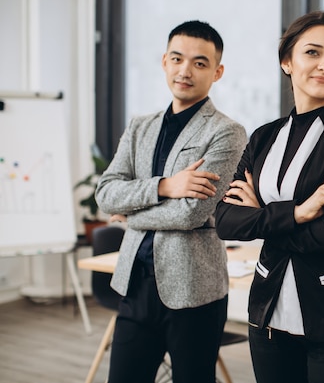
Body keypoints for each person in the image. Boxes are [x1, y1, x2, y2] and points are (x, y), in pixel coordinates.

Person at [215, 10, 324, 383]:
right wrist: (302, 211)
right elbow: (225, 219)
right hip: (269, 317)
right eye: (313, 53)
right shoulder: (264, 137)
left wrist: (264, 215)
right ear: (287, 62)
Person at [95, 20, 247, 383]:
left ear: (217, 71)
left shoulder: (227, 132)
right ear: (164, 61)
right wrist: (165, 186)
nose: (185, 70)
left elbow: (192, 213)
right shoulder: (140, 126)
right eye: (177, 58)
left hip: (194, 290)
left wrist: (130, 216)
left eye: (199, 63)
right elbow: (106, 193)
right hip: (135, 285)